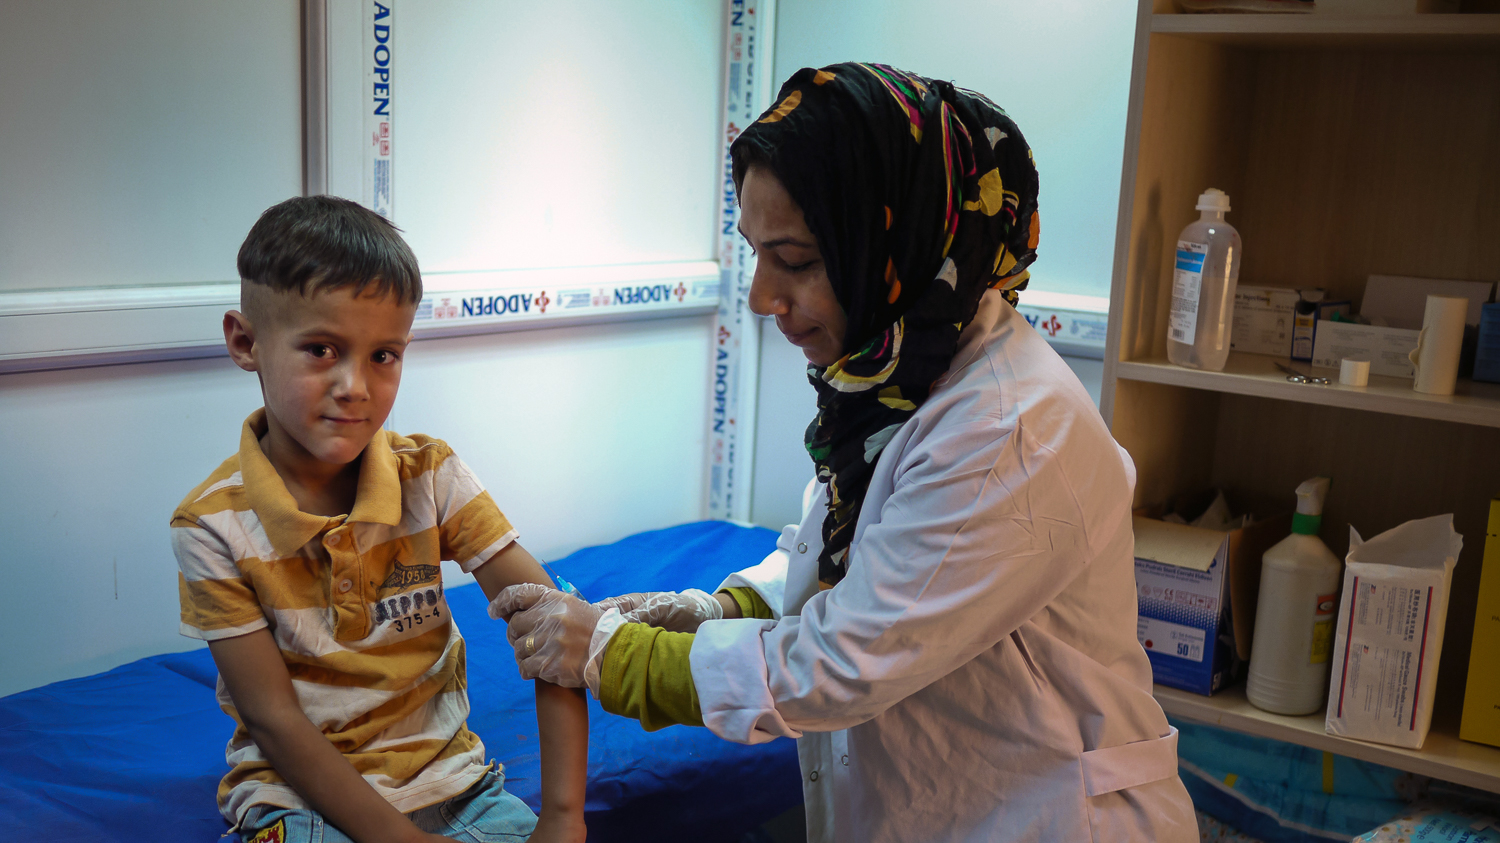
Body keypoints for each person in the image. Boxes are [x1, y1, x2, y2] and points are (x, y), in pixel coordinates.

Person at [495, 63, 1198, 841]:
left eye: (794, 260)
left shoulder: (1008, 429)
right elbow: (850, 550)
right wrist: (721, 606)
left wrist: (612, 655)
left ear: (892, 241)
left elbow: (838, 663)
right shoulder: (892, 379)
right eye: (756, 253)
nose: (761, 297)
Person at [170, 196, 587, 843]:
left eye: (384, 355)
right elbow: (276, 720)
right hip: (297, 798)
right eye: (321, 349)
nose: (356, 386)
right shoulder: (210, 525)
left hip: (456, 788)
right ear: (245, 341)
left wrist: (563, 816)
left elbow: (552, 625)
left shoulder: (432, 476)